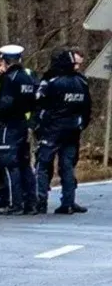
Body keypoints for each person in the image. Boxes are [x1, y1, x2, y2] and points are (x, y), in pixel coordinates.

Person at [0, 45, 39, 215]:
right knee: (25, 164)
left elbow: (5, 102)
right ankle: (31, 203)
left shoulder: (9, 78)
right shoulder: (27, 77)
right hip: (22, 124)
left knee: (9, 165)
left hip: (7, 125)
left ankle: (15, 203)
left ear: (5, 61)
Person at [32, 47, 92, 214]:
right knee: (67, 166)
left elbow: (40, 104)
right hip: (73, 130)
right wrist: (80, 125)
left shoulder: (52, 82)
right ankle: (68, 201)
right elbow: (87, 109)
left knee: (43, 164)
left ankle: (40, 200)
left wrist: (39, 126)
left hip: (52, 130)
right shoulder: (82, 82)